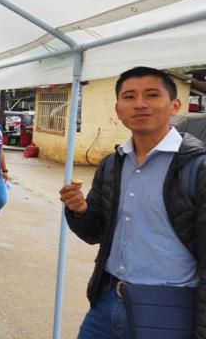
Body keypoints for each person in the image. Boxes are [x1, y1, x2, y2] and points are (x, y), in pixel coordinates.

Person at [59, 67, 206, 338]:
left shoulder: (197, 167)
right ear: (118, 108)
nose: (139, 104)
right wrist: (79, 210)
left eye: (151, 95)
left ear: (176, 104)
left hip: (170, 307)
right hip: (107, 301)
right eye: (129, 97)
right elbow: (96, 233)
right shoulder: (113, 164)